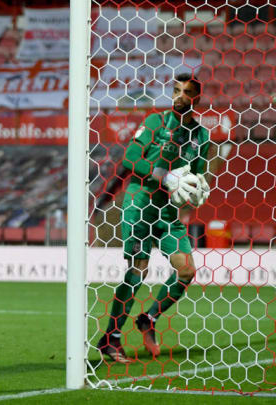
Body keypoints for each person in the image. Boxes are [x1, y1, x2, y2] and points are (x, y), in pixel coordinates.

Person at [98, 73, 226, 364]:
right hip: (140, 201)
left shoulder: (201, 136)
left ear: (197, 98)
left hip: (168, 211)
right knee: (137, 273)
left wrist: (196, 188)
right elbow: (130, 158)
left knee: (187, 270)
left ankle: (149, 317)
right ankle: (110, 339)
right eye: (176, 90)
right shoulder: (157, 122)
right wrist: (165, 176)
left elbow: (195, 174)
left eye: (187, 92)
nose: (180, 96)